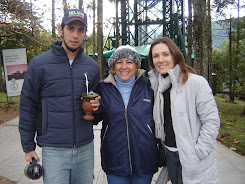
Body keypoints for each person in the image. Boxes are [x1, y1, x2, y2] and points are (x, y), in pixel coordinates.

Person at [19, 9, 100, 184]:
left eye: (81, 30)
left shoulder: (91, 66)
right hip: (53, 148)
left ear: (85, 33)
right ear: (60, 29)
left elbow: (96, 114)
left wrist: (97, 107)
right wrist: (28, 147)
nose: (75, 35)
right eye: (70, 28)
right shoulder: (39, 64)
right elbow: (28, 106)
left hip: (85, 147)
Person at [148, 37, 221, 184]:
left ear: (175, 56)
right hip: (171, 155)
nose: (160, 60)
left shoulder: (196, 83)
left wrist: (199, 151)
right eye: (156, 56)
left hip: (193, 158)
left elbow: (211, 121)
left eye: (165, 54)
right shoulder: (156, 87)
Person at [93, 45, 159, 184]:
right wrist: (93, 109)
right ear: (113, 66)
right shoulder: (103, 88)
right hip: (114, 159)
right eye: (119, 62)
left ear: (136, 66)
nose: (124, 67)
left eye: (129, 62)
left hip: (144, 159)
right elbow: (93, 119)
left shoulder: (150, 87)